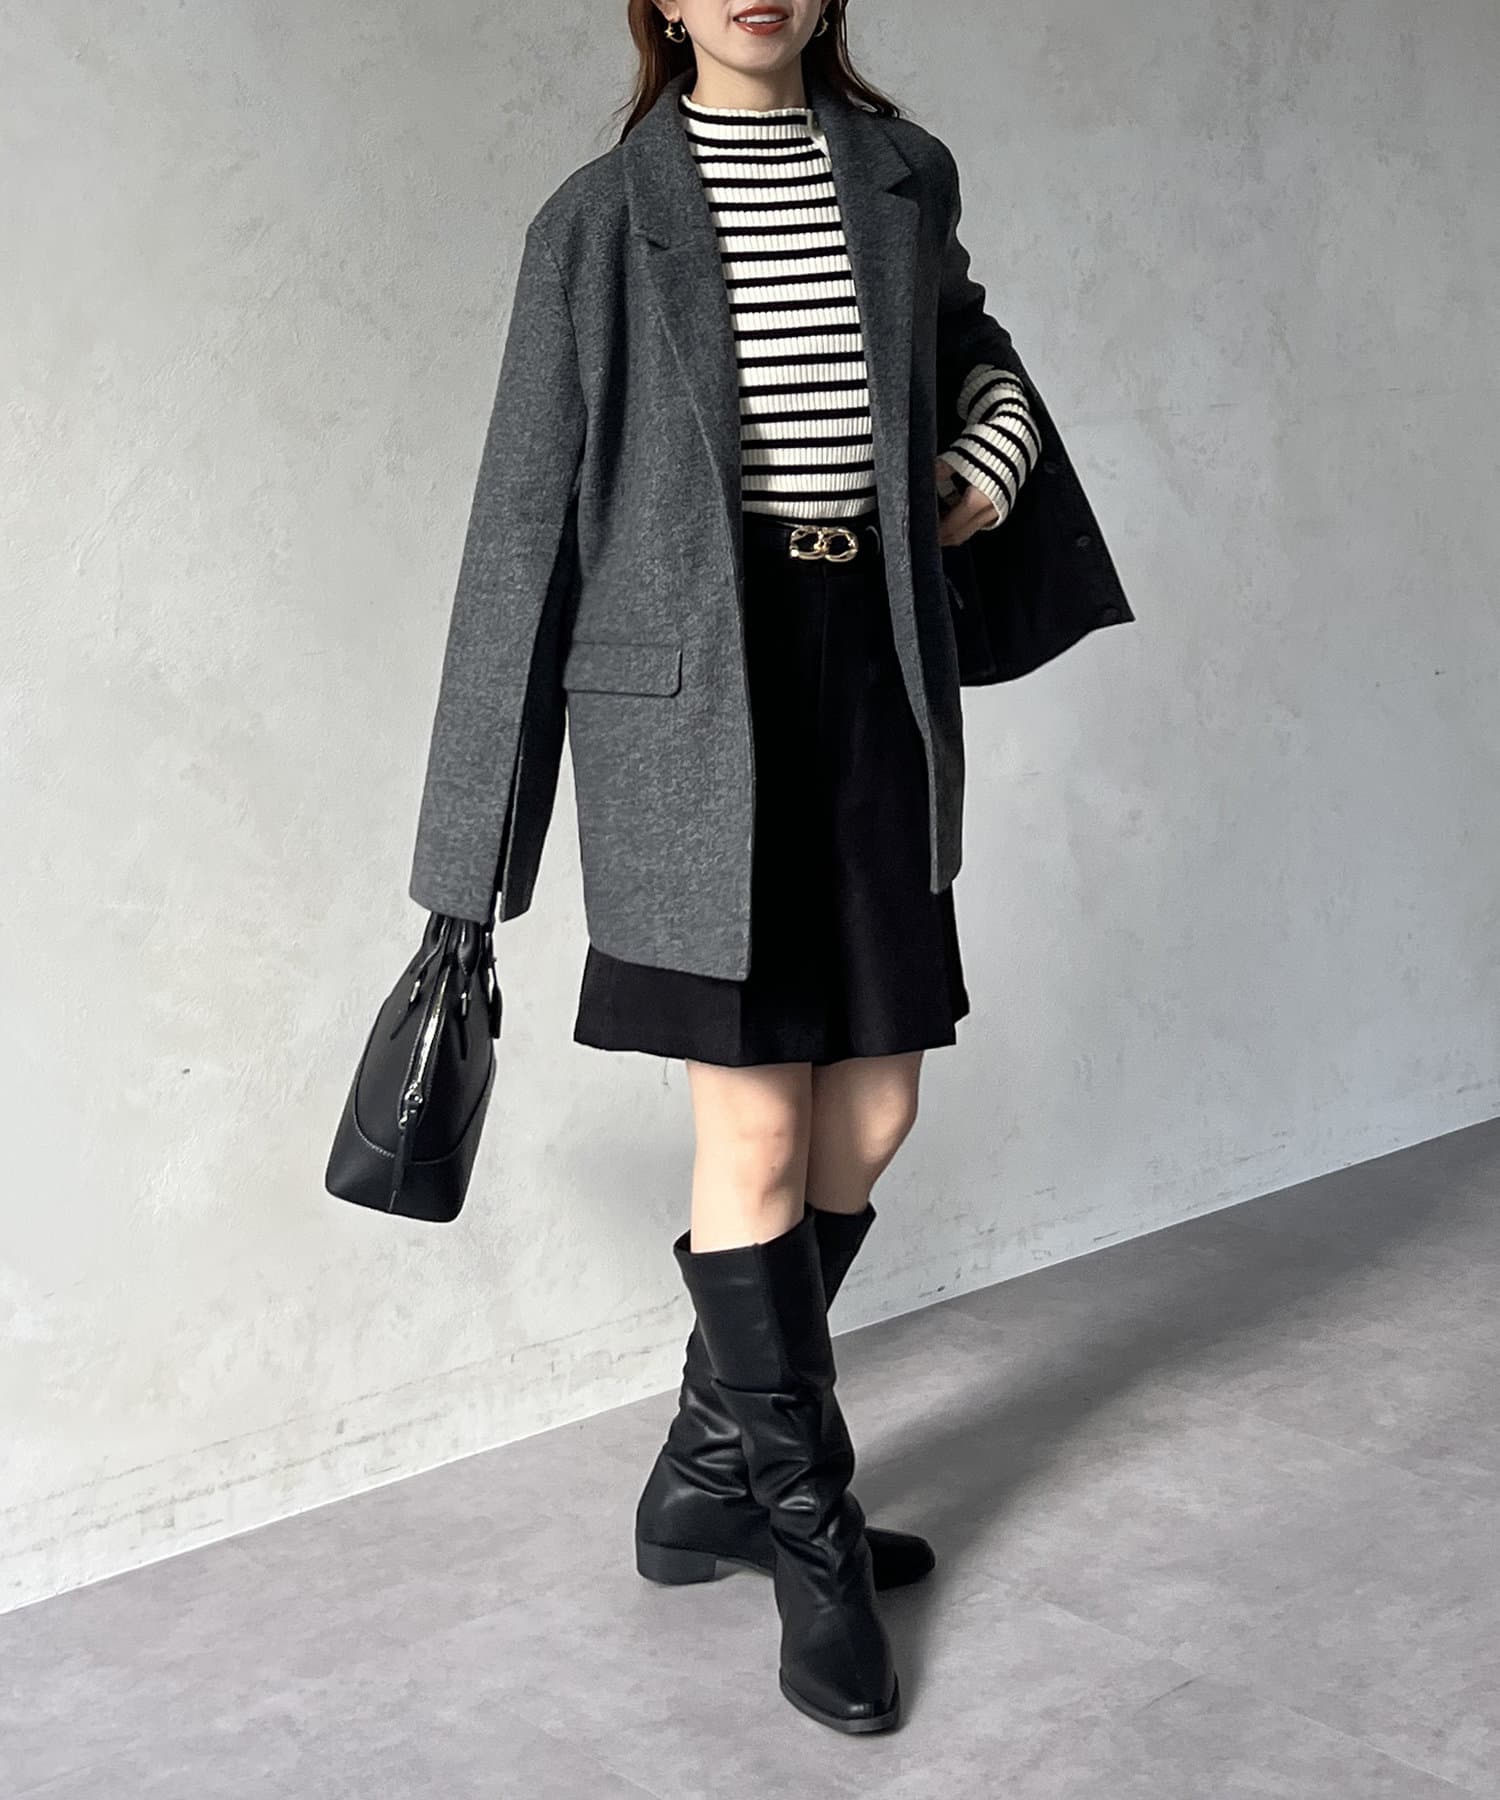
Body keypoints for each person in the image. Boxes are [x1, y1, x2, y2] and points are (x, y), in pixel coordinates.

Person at [406, 0, 1134, 1736]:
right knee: (753, 1135)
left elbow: (978, 357)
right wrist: (466, 861)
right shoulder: (597, 221)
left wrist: (982, 469)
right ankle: (813, 1552)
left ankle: (704, 1473)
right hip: (685, 717)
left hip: (868, 680)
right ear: (659, 2)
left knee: (869, 1113)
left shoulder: (901, 173)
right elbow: (518, 531)